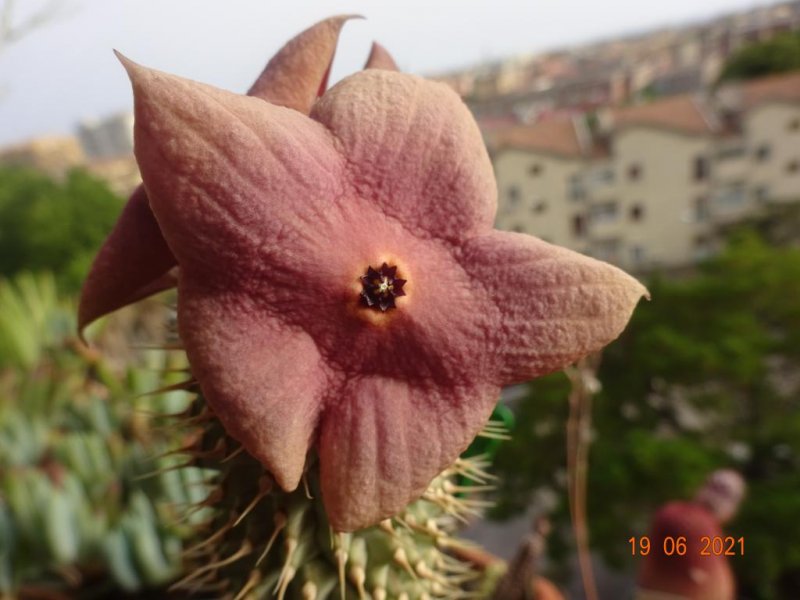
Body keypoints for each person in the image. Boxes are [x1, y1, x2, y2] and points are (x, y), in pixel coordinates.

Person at [636, 469, 746, 600]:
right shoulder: (681, 517)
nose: (717, 497)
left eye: (727, 494)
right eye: (715, 487)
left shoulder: (713, 531)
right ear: (701, 488)